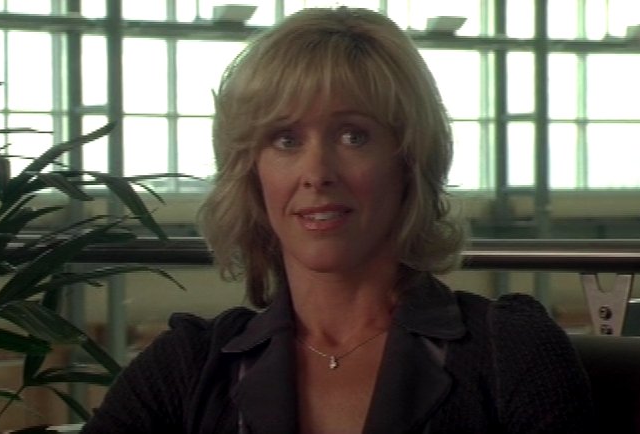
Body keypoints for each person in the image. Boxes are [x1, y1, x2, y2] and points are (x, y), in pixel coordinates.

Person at [83, 6, 592, 433]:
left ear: (409, 159)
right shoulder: (188, 367)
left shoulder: (507, 350)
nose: (317, 173)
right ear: (252, 172)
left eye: (353, 136)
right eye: (286, 140)